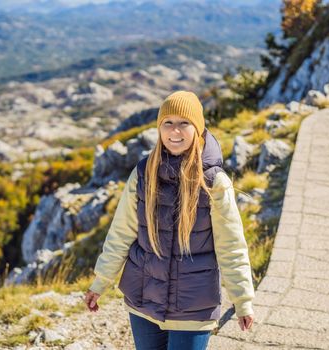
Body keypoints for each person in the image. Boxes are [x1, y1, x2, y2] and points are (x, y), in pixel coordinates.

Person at [84, 90, 255, 350]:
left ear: (197, 128)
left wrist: (242, 300)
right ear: (159, 128)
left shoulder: (214, 182)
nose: (175, 131)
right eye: (168, 123)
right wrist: (100, 283)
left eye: (184, 123)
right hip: (144, 299)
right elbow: (121, 233)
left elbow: (231, 246)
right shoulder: (143, 173)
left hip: (193, 307)